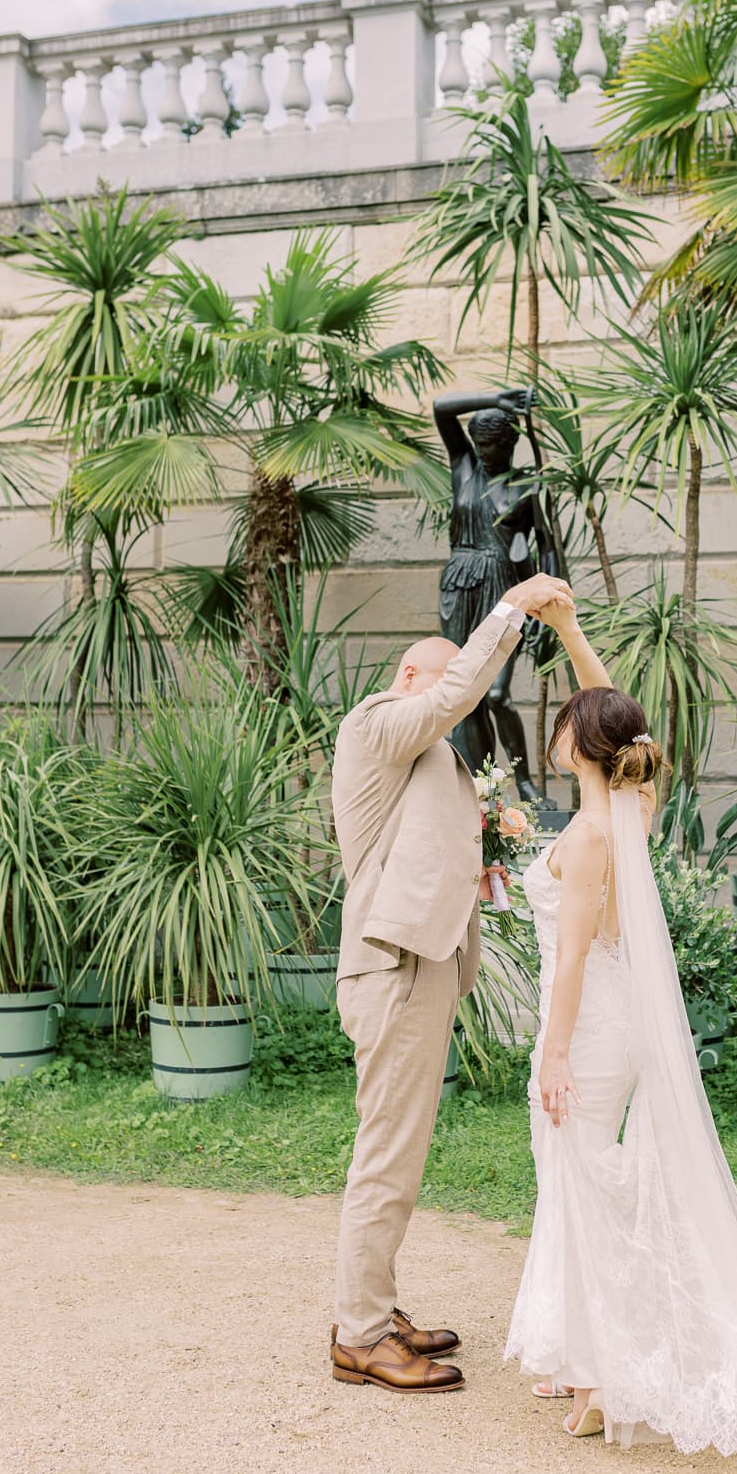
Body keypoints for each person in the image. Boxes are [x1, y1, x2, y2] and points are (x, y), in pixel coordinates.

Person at [505, 600, 737, 1456]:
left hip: (588, 1025)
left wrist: (555, 1053)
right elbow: (613, 711)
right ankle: (583, 1348)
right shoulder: (630, 804)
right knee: (578, 1174)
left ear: (575, 744)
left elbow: (568, 960)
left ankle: (608, 1374)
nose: (562, 722)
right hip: (617, 1020)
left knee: (581, 1178)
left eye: (568, 718)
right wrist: (569, 631)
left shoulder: (589, 836)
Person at [330, 569, 573, 1394]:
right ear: (410, 677)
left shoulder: (425, 754)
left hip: (426, 968)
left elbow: (432, 850)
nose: (462, 698)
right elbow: (451, 693)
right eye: (446, 678)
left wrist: (484, 875)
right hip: (392, 968)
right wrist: (509, 609)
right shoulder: (378, 723)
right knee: (386, 1158)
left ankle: (375, 1307)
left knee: (401, 1153)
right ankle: (360, 1335)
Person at [434, 387, 560, 801]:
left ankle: (523, 782)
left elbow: (547, 547)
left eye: (493, 446)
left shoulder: (527, 487)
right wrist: (495, 399)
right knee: (462, 694)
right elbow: (441, 409)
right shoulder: (464, 467)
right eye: (480, 444)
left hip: (503, 590)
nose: (485, 452)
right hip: (459, 586)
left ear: (509, 445)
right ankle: (478, 786)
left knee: (497, 693)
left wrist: (549, 606)